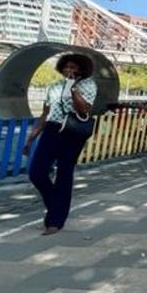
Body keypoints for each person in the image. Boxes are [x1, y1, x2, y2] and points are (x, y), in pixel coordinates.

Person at [23, 53, 98, 235]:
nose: (69, 70)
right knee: (36, 172)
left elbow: (84, 109)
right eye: (67, 67)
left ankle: (55, 221)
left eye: (74, 67)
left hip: (73, 133)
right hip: (52, 129)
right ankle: (56, 207)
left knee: (64, 173)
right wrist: (31, 137)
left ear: (81, 69)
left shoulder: (88, 85)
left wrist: (72, 89)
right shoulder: (54, 87)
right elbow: (45, 113)